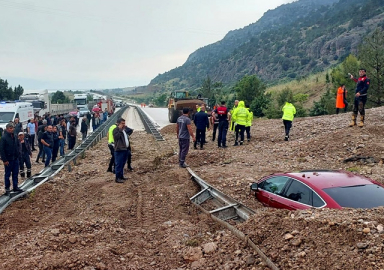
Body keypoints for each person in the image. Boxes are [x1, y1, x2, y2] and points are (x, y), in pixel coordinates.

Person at [0, 123, 23, 195]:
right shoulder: (4, 138)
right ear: (7, 129)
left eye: (12, 128)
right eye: (10, 128)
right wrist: (4, 160)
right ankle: (7, 188)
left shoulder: (15, 136)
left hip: (15, 158)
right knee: (7, 174)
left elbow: (17, 146)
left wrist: (18, 154)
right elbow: (2, 149)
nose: (12, 129)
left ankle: (15, 187)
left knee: (15, 173)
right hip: (8, 159)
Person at [113, 118, 129, 183]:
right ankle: (117, 178)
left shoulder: (123, 130)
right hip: (119, 150)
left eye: (124, 123)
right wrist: (119, 129)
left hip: (125, 149)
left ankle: (121, 176)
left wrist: (124, 128)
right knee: (119, 164)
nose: (123, 125)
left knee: (122, 164)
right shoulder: (116, 130)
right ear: (119, 124)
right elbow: (116, 137)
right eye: (122, 123)